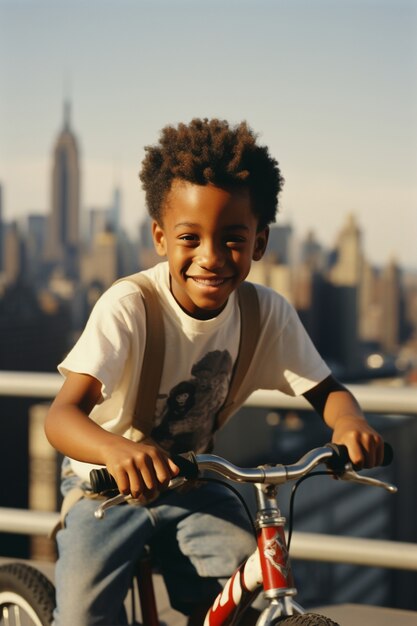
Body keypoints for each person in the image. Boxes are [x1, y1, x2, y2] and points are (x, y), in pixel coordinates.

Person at [45, 118, 384, 626]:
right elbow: (61, 417)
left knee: (241, 590)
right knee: (81, 616)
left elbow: (328, 391)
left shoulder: (264, 314)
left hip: (194, 482)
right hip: (105, 488)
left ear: (260, 242)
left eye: (232, 239)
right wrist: (118, 450)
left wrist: (349, 424)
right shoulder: (131, 306)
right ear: (160, 238)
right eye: (190, 237)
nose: (210, 257)